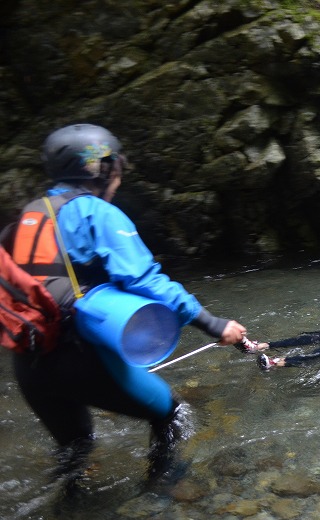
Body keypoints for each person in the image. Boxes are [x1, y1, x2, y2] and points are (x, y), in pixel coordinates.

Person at [3, 123, 246, 485]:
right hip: (80, 354)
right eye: (115, 166)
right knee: (173, 415)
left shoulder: (27, 217)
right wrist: (214, 324)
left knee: (76, 450)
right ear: (98, 168)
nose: (118, 176)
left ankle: (70, 515)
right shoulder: (96, 213)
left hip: (29, 361)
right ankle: (160, 499)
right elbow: (145, 280)